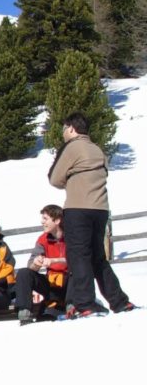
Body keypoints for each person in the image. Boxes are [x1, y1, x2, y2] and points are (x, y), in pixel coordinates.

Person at [48, 111, 134, 318]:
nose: (63, 134)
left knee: (78, 256)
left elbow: (54, 179)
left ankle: (85, 303)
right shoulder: (97, 149)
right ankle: (119, 301)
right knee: (98, 257)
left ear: (71, 128)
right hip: (101, 208)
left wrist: (71, 178)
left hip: (78, 207)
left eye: (63, 129)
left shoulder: (71, 148)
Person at [14, 205, 68, 325]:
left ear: (57, 220)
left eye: (45, 219)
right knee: (24, 273)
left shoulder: (71, 237)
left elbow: (79, 260)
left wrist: (54, 261)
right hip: (51, 283)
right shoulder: (43, 239)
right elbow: (30, 266)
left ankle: (71, 306)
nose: (42, 222)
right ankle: (24, 312)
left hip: (69, 282)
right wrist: (36, 263)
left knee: (76, 274)